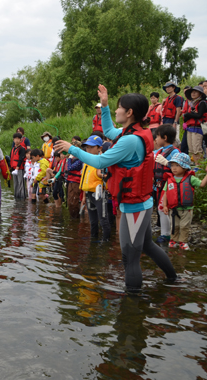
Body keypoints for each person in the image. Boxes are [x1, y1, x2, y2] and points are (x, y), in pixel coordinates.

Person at [54, 84, 177, 292]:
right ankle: (174, 279)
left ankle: (132, 305)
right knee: (146, 245)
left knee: (129, 255)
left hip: (135, 206)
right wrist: (105, 106)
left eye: (119, 107)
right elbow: (109, 131)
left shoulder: (129, 141)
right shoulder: (135, 131)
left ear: (129, 113)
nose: (117, 110)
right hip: (142, 202)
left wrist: (72, 148)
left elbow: (100, 162)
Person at [162, 152, 207, 250]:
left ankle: (183, 242)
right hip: (173, 209)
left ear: (185, 167)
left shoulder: (191, 179)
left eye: (177, 165)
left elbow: (202, 184)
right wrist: (165, 205)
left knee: (184, 226)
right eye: (172, 165)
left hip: (187, 209)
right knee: (174, 225)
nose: (174, 168)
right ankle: (173, 240)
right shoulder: (170, 179)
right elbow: (165, 193)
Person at [79, 135, 111, 241]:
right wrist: (84, 196)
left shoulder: (103, 160)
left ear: (99, 148)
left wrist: (102, 174)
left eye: (91, 147)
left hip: (99, 195)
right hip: (88, 194)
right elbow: (85, 180)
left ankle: (106, 242)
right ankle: (94, 240)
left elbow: (109, 176)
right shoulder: (87, 161)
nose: (88, 149)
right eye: (87, 147)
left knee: (103, 219)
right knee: (92, 221)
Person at [153, 124, 179, 243]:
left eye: (157, 136)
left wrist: (167, 163)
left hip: (169, 185)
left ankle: (166, 234)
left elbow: (180, 167)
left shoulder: (175, 152)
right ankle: (164, 232)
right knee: (159, 208)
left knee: (163, 208)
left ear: (164, 137)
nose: (156, 139)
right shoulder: (158, 151)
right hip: (157, 185)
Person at [182, 85, 207, 164]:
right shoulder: (192, 104)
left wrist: (188, 114)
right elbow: (188, 116)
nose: (193, 93)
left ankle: (200, 167)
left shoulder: (202, 102)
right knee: (192, 149)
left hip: (198, 128)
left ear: (200, 94)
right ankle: (197, 166)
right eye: (192, 92)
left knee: (197, 149)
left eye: (195, 92)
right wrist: (189, 114)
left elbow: (199, 115)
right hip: (190, 128)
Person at [64, 145, 83, 218]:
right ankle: (73, 218)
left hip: (76, 182)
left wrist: (69, 159)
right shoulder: (74, 159)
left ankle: (76, 218)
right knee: (70, 201)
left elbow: (70, 168)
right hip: (70, 181)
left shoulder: (80, 160)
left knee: (74, 202)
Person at [10, 133, 27, 199]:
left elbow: (21, 159)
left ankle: (22, 198)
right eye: (15, 139)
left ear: (20, 140)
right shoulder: (13, 149)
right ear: (13, 140)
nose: (17, 140)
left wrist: (17, 168)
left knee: (21, 183)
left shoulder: (22, 149)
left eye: (18, 139)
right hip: (14, 168)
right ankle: (16, 197)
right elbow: (11, 159)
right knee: (15, 184)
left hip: (19, 168)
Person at [180, 86, 192, 155]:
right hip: (186, 124)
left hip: (193, 126)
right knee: (184, 144)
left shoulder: (194, 102)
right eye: (184, 92)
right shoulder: (185, 102)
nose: (186, 94)